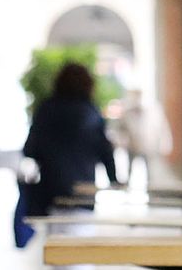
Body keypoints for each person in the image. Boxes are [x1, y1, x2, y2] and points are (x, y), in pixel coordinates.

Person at [22, 62, 120, 215]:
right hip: (83, 194)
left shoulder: (46, 111)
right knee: (81, 236)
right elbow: (105, 151)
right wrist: (114, 180)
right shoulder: (91, 113)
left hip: (52, 195)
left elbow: (30, 150)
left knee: (53, 237)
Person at [116, 88, 172, 187]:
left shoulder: (153, 110)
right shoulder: (127, 112)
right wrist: (123, 142)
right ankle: (128, 192)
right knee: (130, 170)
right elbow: (121, 130)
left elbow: (162, 128)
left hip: (148, 146)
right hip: (132, 146)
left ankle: (150, 189)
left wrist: (165, 144)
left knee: (150, 172)